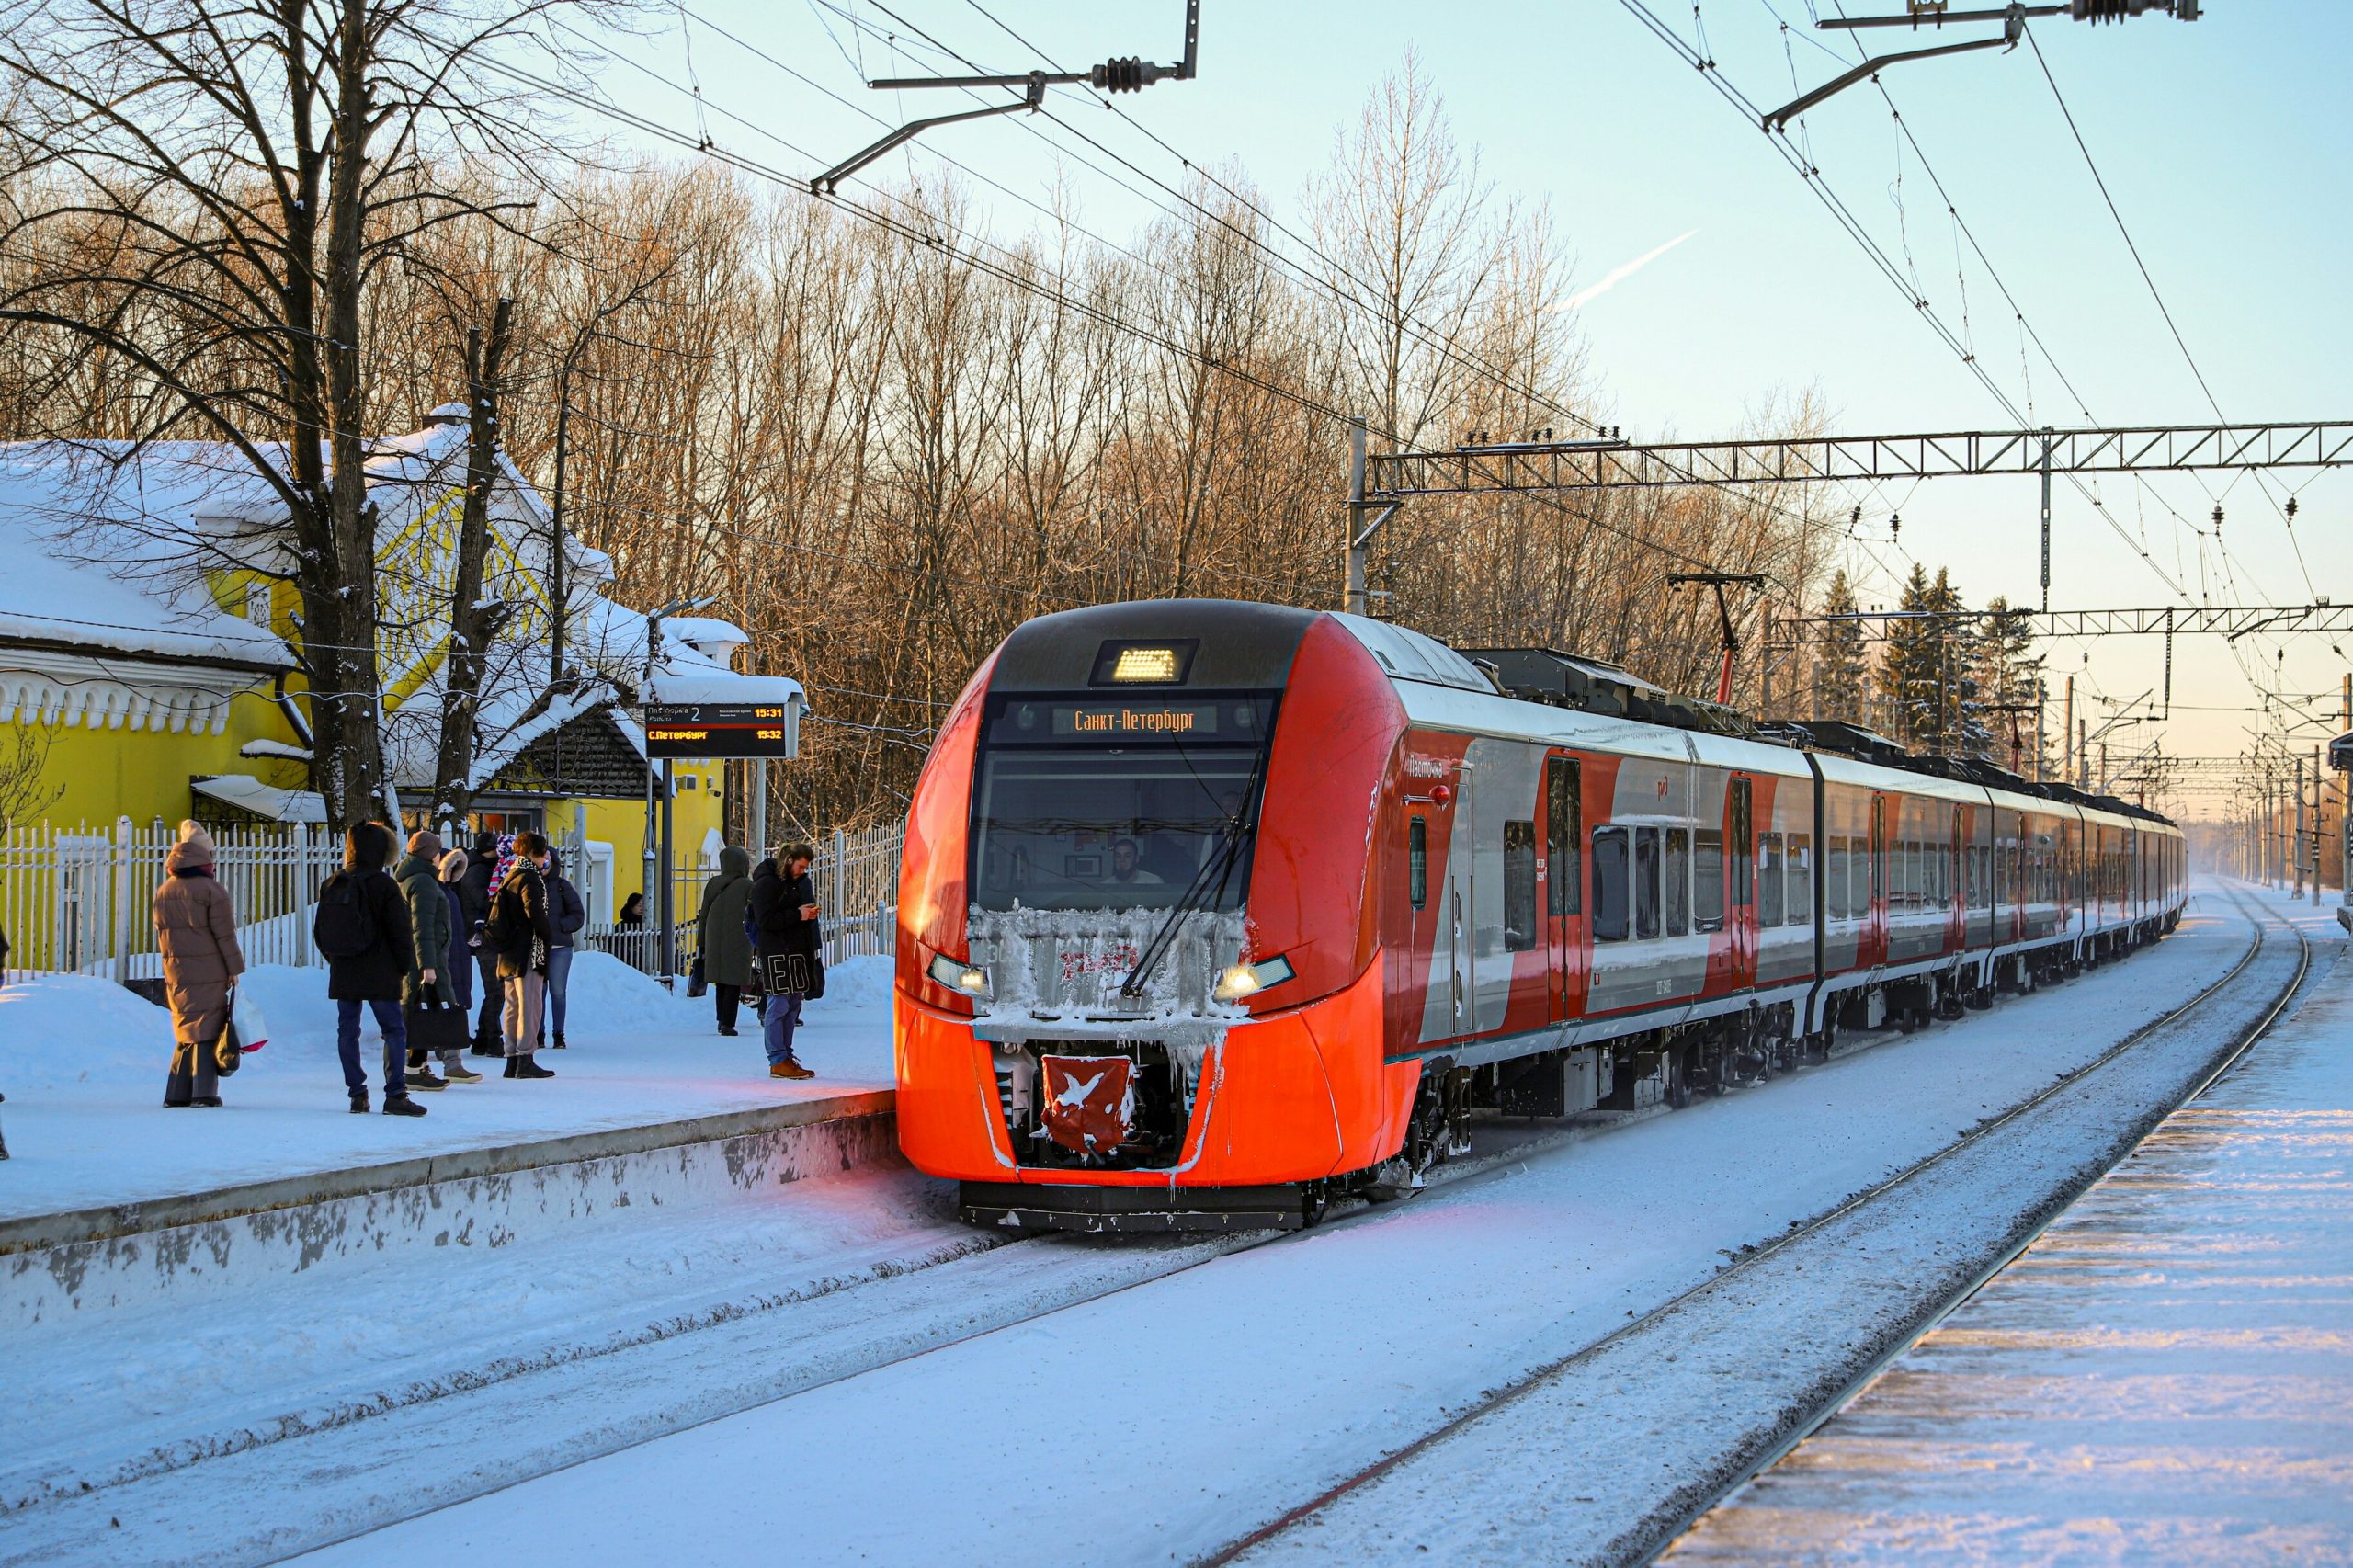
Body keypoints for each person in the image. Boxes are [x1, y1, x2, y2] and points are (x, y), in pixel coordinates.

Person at [319, 821, 426, 1117]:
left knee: (347, 1032)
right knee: (393, 1030)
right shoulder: (384, 885)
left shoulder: (332, 883)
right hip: (381, 969)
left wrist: (337, 959)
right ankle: (395, 1093)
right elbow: (399, 931)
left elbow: (321, 932)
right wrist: (402, 967)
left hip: (345, 968)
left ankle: (356, 1093)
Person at [153, 822, 245, 1108]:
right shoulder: (211, 890)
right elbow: (224, 935)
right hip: (210, 968)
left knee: (185, 1028)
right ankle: (203, 1092)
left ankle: (176, 1093)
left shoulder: (164, 890)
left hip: (176, 968)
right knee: (207, 1028)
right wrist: (234, 969)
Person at [394, 831, 469, 1090]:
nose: (441, 855)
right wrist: (428, 966)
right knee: (421, 1016)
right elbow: (422, 927)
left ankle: (415, 1068)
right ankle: (413, 1070)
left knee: (418, 1014)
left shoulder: (413, 877)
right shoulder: (423, 882)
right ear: (430, 853)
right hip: (426, 961)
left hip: (425, 958)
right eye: (438, 851)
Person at [488, 830, 557, 1079]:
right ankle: (526, 1058)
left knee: (513, 1006)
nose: (544, 858)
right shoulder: (529, 877)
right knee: (530, 1006)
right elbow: (535, 913)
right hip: (527, 950)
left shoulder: (510, 875)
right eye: (541, 853)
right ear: (533, 853)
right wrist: (548, 934)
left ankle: (512, 1059)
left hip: (508, 953)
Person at [748, 845, 821, 1080]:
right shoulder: (766, 884)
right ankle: (778, 1058)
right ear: (789, 861)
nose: (802, 871)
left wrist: (805, 915)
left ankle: (785, 1056)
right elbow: (765, 920)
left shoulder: (792, 884)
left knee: (792, 1005)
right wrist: (798, 915)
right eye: (800, 866)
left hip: (794, 951)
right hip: (777, 952)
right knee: (779, 1005)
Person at [428, 847, 483, 1084]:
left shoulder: (450, 893)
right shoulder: (435, 893)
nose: (450, 874)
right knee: (441, 1011)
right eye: (447, 869)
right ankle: (447, 1060)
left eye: (454, 870)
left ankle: (451, 1059)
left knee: (453, 1009)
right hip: (444, 961)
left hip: (456, 960)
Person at [695, 846, 754, 1037]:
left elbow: (704, 914)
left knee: (721, 981)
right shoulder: (747, 885)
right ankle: (728, 1022)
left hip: (714, 938)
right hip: (738, 938)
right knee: (733, 982)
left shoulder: (713, 883)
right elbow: (754, 912)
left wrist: (701, 942)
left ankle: (721, 1019)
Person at [463, 828, 503, 1055]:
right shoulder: (478, 871)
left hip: (487, 936)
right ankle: (492, 1040)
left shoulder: (483, 868)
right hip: (484, 937)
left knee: (495, 990)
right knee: (496, 991)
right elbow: (484, 900)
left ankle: (483, 1039)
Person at [541, 846, 585, 1050]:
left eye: (547, 862)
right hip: (536, 946)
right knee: (537, 992)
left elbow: (578, 915)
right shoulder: (529, 884)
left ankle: (559, 1034)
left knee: (558, 992)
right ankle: (537, 1033)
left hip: (560, 946)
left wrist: (560, 926)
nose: (543, 867)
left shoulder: (562, 886)